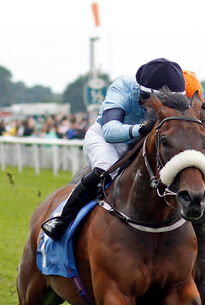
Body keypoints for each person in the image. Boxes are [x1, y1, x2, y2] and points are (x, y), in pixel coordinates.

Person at [41, 58, 186, 239]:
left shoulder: (183, 98)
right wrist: (141, 129)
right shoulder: (123, 87)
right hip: (107, 140)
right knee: (106, 167)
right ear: (144, 94)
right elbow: (109, 130)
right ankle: (62, 219)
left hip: (148, 143)